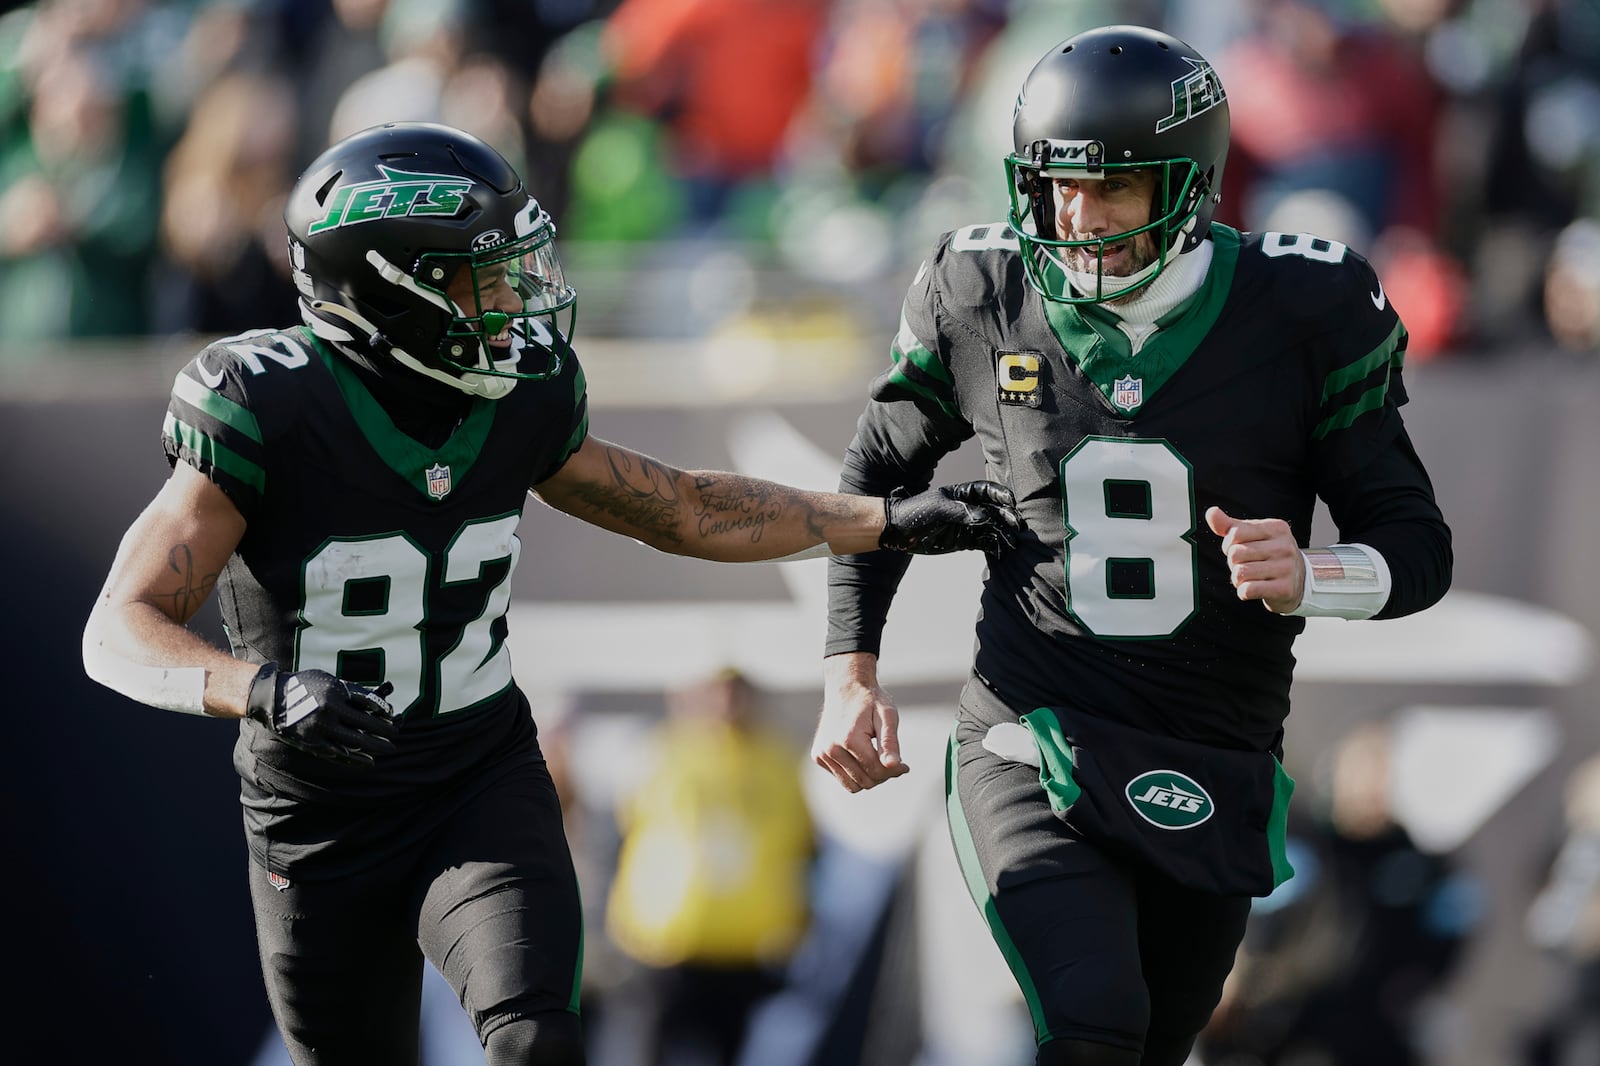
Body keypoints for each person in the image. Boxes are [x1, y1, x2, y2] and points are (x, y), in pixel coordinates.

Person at [79, 121, 1019, 1066]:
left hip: (472, 776)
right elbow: (118, 626)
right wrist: (262, 689)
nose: (514, 303)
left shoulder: (520, 394)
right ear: (388, 293)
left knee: (537, 1041)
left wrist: (882, 521)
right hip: (318, 813)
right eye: (483, 280)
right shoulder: (269, 405)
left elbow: (682, 508)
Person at [810, 25, 1452, 1066]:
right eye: (1057, 185)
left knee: (1147, 1042)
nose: (1076, 215)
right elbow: (876, 476)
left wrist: (1313, 574)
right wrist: (850, 669)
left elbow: (1416, 546)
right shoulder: (984, 292)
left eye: (1110, 188)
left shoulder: (1300, 309)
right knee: (1092, 1023)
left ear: (1188, 185)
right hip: (1033, 733)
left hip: (1213, 752)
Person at [601, 667, 814, 1066]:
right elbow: (621, 832)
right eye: (714, 691)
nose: (725, 704)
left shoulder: (780, 762)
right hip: (663, 953)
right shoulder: (655, 753)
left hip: (748, 955)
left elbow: (802, 848)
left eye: (734, 691)